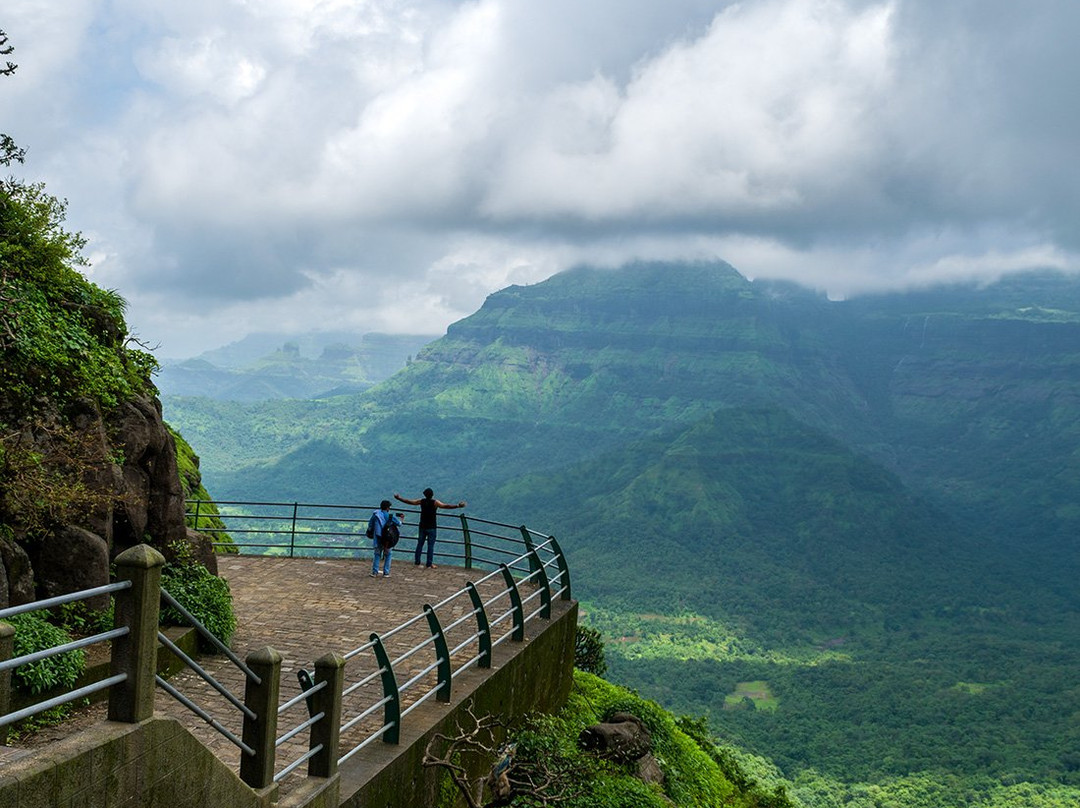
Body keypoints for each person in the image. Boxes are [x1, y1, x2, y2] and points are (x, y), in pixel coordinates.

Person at [394, 488, 466, 568]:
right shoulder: (435, 502)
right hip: (432, 527)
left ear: (424, 495)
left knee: (420, 544)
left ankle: (417, 561)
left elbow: (410, 502)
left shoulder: (421, 501)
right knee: (430, 546)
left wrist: (399, 498)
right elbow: (446, 506)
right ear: (432, 495)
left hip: (422, 526)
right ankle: (429, 563)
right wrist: (457, 506)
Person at [368, 500, 402, 578]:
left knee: (377, 554)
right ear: (387, 508)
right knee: (388, 554)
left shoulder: (376, 515)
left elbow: (370, 525)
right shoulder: (390, 516)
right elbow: (399, 524)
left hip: (378, 537)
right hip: (388, 539)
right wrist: (402, 519)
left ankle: (374, 572)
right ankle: (386, 572)